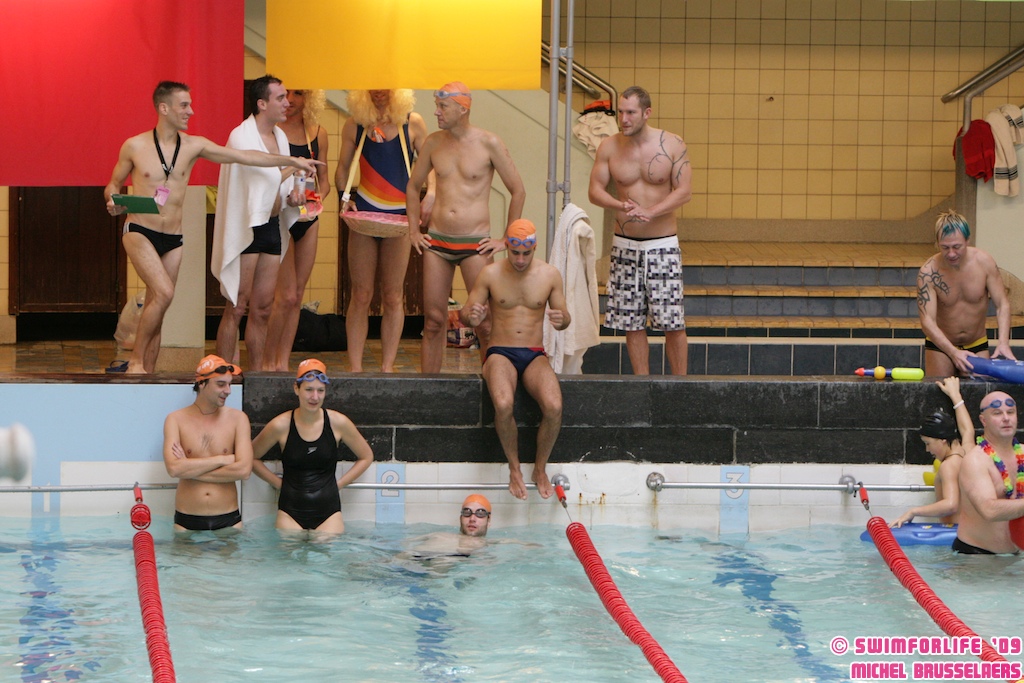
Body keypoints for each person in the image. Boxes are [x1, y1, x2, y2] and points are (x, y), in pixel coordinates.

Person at [103, 81, 321, 374]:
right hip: (140, 229)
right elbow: (113, 184)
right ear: (164, 108)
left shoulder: (194, 145)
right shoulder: (134, 146)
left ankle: (148, 373)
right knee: (165, 294)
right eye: (184, 105)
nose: (190, 111)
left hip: (174, 236)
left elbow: (244, 157)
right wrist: (113, 200)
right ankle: (137, 362)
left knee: (160, 304)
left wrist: (290, 160)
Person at [407, 81, 526, 374]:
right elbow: (412, 186)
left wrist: (505, 239)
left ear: (463, 109)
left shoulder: (489, 143)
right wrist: (413, 231)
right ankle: (429, 390)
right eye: (436, 105)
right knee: (433, 321)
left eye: (442, 106)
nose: (436, 112)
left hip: (475, 244)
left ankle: (494, 384)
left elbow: (518, 190)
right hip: (437, 242)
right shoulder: (433, 143)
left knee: (484, 323)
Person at [460, 220, 570, 500]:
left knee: (554, 406)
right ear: (507, 246)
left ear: (535, 248)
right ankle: (514, 467)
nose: (520, 260)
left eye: (526, 253)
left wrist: (562, 320)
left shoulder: (550, 275)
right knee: (503, 403)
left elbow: (564, 316)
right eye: (515, 253)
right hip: (500, 352)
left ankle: (540, 468)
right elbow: (466, 313)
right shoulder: (490, 273)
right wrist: (471, 316)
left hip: (534, 353)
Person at [587, 85, 692, 376]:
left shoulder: (672, 143)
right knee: (631, 323)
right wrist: (618, 204)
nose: (624, 119)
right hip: (625, 245)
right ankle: (641, 384)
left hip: (662, 245)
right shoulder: (609, 147)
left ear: (647, 113)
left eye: (631, 112)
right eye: (620, 112)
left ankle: (681, 385)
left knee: (672, 322)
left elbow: (684, 192)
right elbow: (594, 191)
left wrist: (651, 211)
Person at [212, 75, 312, 371]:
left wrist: (293, 196)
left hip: (271, 226)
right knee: (237, 306)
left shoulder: (279, 137)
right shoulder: (240, 136)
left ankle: (255, 376)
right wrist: (292, 164)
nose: (287, 102)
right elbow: (258, 167)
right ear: (262, 103)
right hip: (246, 228)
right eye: (280, 98)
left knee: (263, 309)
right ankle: (223, 374)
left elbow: (277, 187)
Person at [336, 90, 431, 372]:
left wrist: (431, 194)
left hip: (400, 218)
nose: (379, 92)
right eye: (373, 87)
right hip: (365, 217)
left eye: (385, 87)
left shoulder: (413, 122)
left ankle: (388, 367)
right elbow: (342, 167)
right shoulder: (354, 124)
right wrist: (343, 197)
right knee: (361, 294)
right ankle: (355, 368)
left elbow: (430, 165)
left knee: (393, 295)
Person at [250, 359, 374, 534]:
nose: (315, 397)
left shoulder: (338, 423)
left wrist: (339, 484)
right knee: (289, 551)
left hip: (329, 514)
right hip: (289, 513)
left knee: (326, 552)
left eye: (320, 390)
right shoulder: (281, 425)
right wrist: (278, 483)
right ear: (296, 389)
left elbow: (366, 456)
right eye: (309, 390)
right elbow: (251, 457)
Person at [263, 90, 331, 372]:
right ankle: (267, 362)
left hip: (308, 218)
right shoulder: (272, 133)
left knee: (297, 296)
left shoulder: (318, 134)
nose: (290, 99)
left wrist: (316, 199)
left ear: (310, 98)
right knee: (285, 296)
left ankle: (282, 362)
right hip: (282, 218)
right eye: (285, 93)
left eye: (298, 93)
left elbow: (325, 181)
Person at [917, 209, 1016, 377]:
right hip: (941, 346)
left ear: (967, 240)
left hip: (976, 343)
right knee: (939, 389)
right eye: (945, 247)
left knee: (981, 391)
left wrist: (1003, 342)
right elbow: (927, 321)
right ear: (937, 243)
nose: (951, 253)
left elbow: (1002, 304)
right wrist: (953, 352)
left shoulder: (984, 263)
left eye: (957, 247)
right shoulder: (929, 272)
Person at [162, 355, 253, 532]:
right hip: (186, 522)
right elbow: (173, 469)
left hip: (229, 520)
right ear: (202, 383)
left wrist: (188, 467)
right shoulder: (176, 420)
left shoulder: (238, 419)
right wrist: (222, 459)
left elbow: (244, 470)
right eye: (221, 384)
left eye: (229, 384)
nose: (228, 391)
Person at [891, 377, 973, 528]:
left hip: (952, 533)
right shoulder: (968, 452)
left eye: (928, 443)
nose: (927, 449)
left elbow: (951, 504)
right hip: (968, 530)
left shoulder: (948, 466)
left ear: (942, 440)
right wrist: (955, 396)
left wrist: (913, 511)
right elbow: (967, 430)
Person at [954, 390, 1024, 554]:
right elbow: (989, 510)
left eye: (1010, 412)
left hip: (1015, 556)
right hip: (977, 558)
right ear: (983, 420)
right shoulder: (975, 460)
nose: (1006, 418)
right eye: (997, 413)